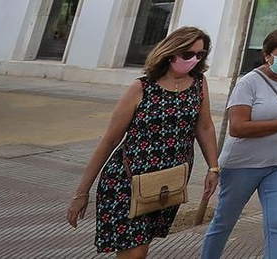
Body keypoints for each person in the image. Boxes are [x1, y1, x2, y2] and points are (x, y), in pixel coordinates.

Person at [67, 27, 220, 257]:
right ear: (171, 53)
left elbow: (205, 127)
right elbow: (109, 140)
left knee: (141, 249)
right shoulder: (142, 87)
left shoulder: (199, 84)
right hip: (126, 182)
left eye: (200, 54)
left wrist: (213, 167)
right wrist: (82, 192)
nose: (195, 60)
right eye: (189, 54)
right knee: (135, 253)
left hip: (167, 185)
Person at [200, 28, 277, 259]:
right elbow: (238, 128)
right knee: (224, 222)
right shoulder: (248, 83)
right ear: (267, 55)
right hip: (243, 165)